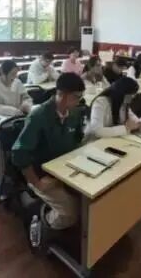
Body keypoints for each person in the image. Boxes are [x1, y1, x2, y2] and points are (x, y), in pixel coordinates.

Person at [12, 73, 86, 230]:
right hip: (43, 175)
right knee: (70, 213)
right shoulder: (38, 116)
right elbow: (19, 153)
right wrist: (37, 183)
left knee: (90, 200)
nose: (79, 101)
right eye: (76, 97)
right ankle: (41, 220)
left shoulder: (74, 113)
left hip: (66, 170)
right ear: (62, 95)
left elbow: (78, 140)